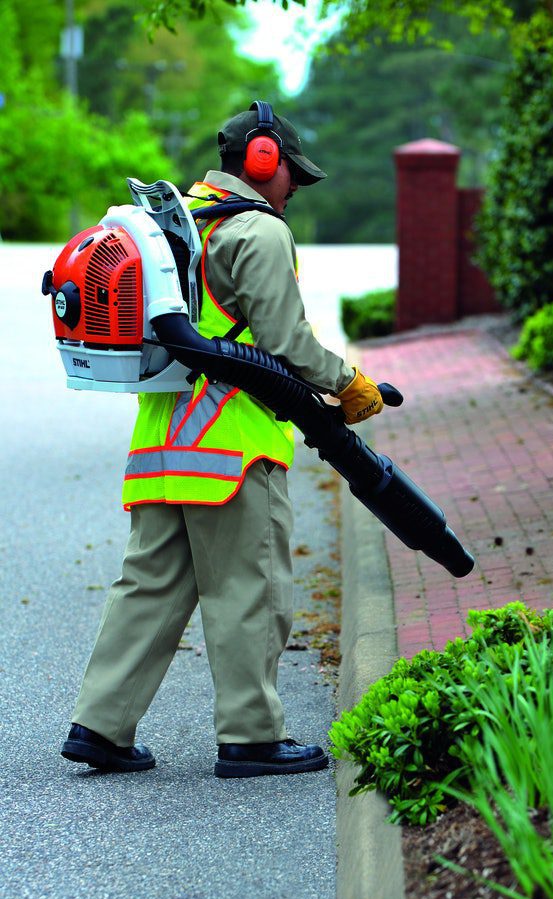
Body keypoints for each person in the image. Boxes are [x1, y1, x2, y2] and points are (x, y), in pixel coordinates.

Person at [60, 101, 383, 778]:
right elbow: (286, 343)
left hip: (161, 441)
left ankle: (100, 725)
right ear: (263, 160)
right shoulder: (255, 233)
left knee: (146, 588)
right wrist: (348, 382)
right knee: (248, 590)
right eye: (292, 173)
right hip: (232, 444)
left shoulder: (168, 223)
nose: (294, 188)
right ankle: (252, 737)